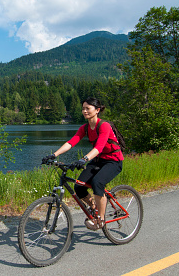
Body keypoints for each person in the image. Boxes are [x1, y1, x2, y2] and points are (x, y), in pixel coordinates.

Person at [42, 97, 124, 230]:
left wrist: (84, 159)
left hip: (113, 161)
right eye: (83, 108)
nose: (84, 111)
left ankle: (101, 219)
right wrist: (54, 154)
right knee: (79, 187)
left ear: (97, 110)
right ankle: (93, 208)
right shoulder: (85, 128)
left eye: (88, 108)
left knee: (98, 182)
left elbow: (99, 147)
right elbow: (71, 142)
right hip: (98, 160)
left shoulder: (104, 126)